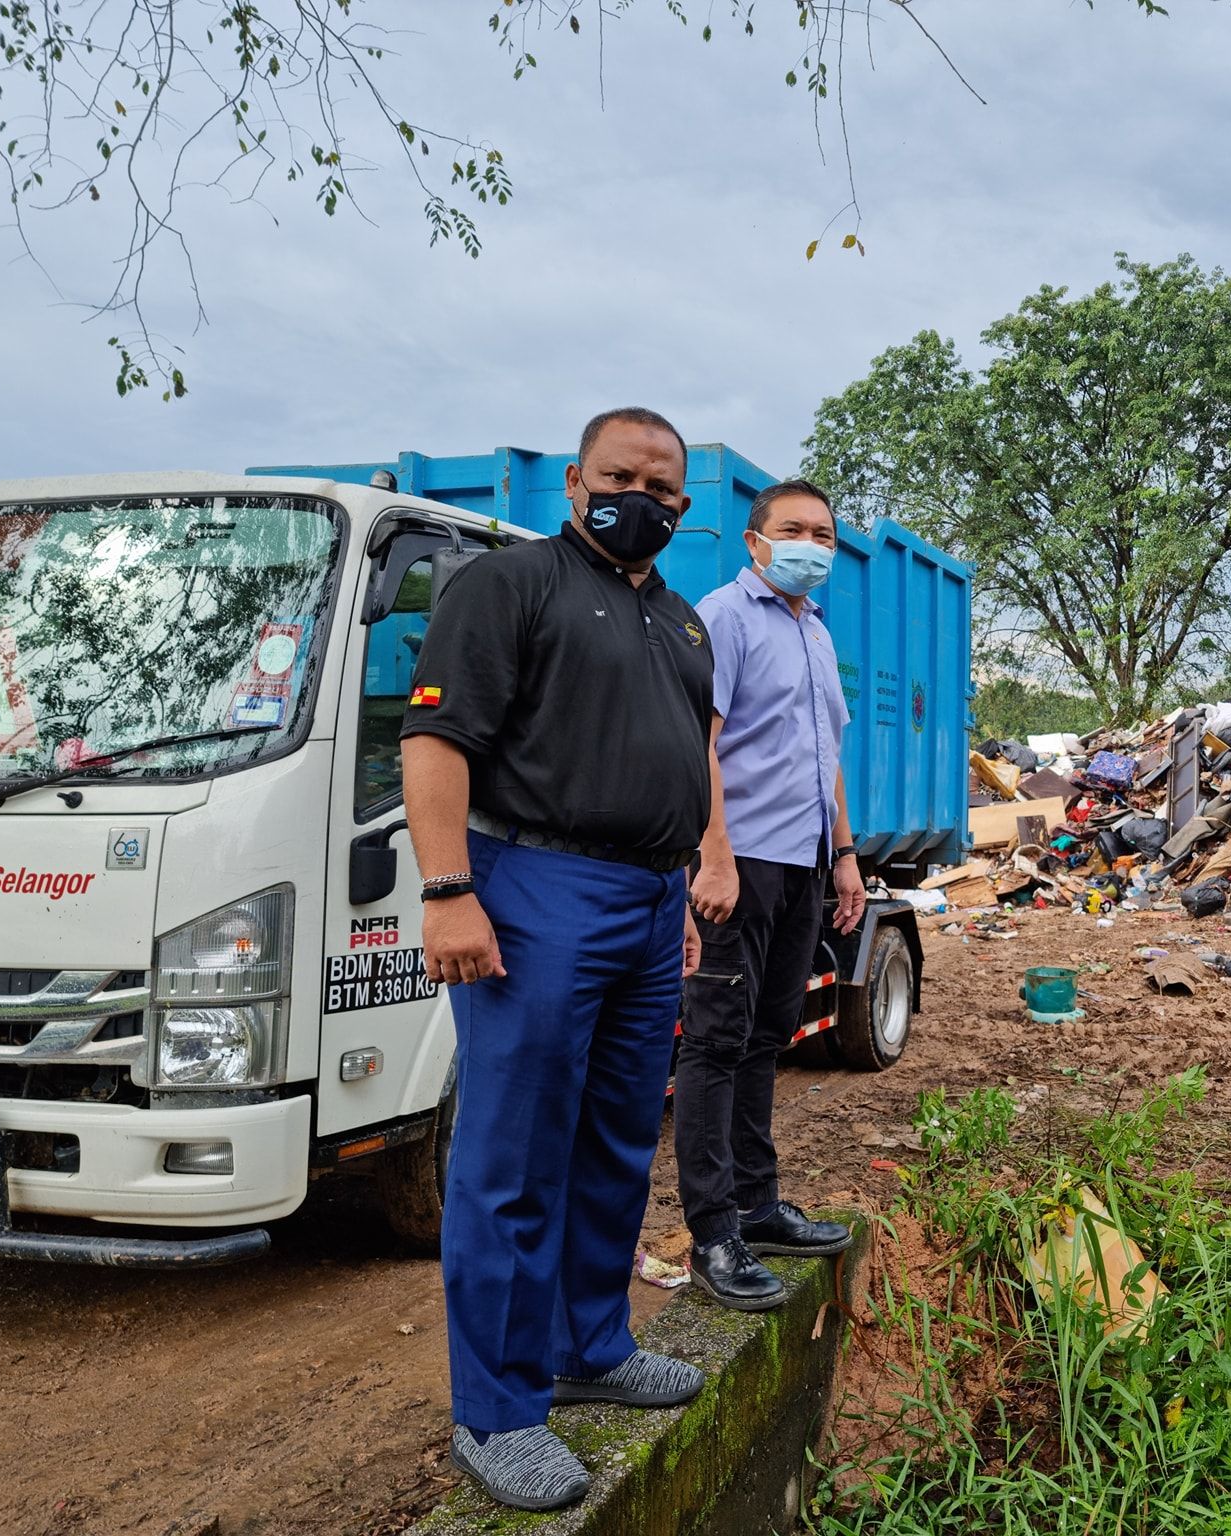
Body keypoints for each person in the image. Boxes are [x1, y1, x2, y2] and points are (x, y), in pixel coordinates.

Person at [401, 407, 713, 1512]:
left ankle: (590, 1342)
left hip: (643, 897)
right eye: (620, 473)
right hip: (533, 890)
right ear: (576, 480)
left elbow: (693, 758)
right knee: (513, 1154)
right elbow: (436, 743)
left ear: (683, 504)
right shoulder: (509, 587)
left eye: (662, 484)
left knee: (620, 1137)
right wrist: (448, 894)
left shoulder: (680, 623)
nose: (642, 495)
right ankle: (497, 1409)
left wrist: (678, 883)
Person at [675, 478, 867, 1310]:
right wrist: (711, 856)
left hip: (804, 861)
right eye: (793, 529)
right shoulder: (724, 615)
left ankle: (757, 1206)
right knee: (714, 1043)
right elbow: (699, 744)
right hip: (740, 859)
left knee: (765, 1037)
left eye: (823, 533)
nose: (811, 545)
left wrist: (847, 856)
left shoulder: (817, 632)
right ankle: (713, 1231)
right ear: (755, 541)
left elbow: (827, 755)